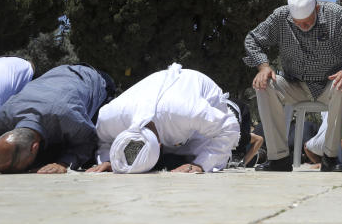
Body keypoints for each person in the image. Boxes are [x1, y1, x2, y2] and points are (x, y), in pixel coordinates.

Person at [244, 0, 342, 172]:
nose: (303, 27)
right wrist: (263, 66)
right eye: (298, 23)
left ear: (317, 9)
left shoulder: (336, 14)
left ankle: (330, 157)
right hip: (293, 83)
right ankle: (278, 157)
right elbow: (252, 40)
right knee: (264, 85)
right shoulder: (280, 16)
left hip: (329, 83)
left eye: (307, 22)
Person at [0, 63, 113, 174]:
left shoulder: (68, 118)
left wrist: (63, 163)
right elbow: (2, 144)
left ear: (34, 147)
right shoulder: (4, 116)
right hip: (57, 75)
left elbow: (88, 142)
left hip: (96, 78)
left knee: (81, 150)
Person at [86, 63, 240, 174]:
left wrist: (200, 164)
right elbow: (104, 141)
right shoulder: (109, 117)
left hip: (201, 92)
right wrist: (110, 160)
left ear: (159, 146)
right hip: (164, 95)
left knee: (207, 157)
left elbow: (230, 127)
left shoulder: (186, 112)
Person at [305, 95, 342, 170]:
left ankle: (327, 162)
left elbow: (307, 147)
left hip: (341, 140)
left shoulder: (329, 109)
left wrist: (320, 162)